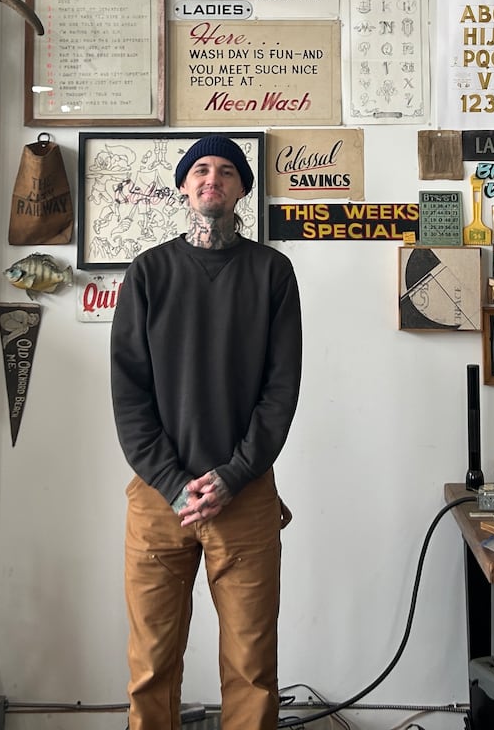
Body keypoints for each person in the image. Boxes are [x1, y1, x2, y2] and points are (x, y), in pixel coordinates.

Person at [110, 135, 303, 730]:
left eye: (225, 170)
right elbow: (129, 392)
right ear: (183, 185)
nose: (210, 178)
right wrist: (173, 483)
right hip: (157, 498)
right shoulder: (148, 272)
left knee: (251, 669)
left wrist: (233, 474)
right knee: (150, 667)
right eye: (199, 169)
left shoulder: (272, 271)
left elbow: (281, 391)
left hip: (244, 498)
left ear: (242, 187)